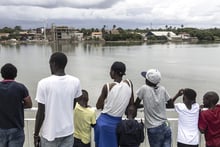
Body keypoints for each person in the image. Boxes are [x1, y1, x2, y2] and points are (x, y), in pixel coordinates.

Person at [34, 52, 82, 147]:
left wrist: (36, 134)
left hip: (50, 134)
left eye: (50, 64)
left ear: (53, 63)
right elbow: (73, 104)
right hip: (68, 132)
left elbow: (41, 113)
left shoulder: (43, 83)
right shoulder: (75, 82)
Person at [95, 61, 134, 147]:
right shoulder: (129, 83)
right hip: (118, 124)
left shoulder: (108, 86)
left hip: (103, 123)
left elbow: (98, 106)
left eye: (110, 71)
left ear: (113, 72)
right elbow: (131, 103)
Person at [134, 69, 172, 147]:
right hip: (166, 125)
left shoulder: (144, 88)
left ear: (147, 80)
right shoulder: (162, 89)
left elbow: (136, 104)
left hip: (153, 128)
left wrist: (145, 105)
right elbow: (171, 104)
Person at [0, 63, 32, 147]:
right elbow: (29, 104)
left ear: (2, 74)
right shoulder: (20, 87)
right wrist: (19, 105)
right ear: (15, 74)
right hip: (16, 129)